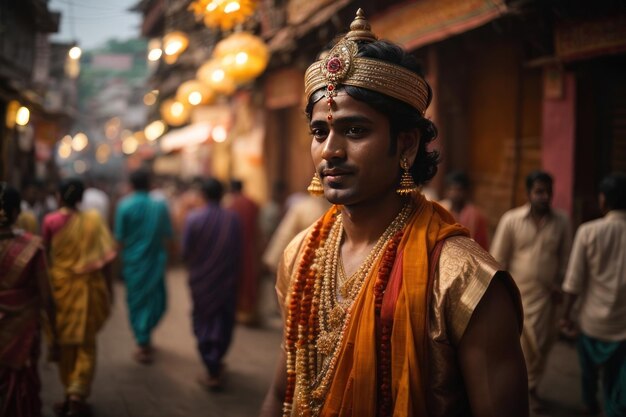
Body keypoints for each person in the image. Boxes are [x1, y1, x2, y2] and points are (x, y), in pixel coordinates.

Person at [260, 10, 527, 417]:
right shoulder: (302, 255)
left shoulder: (463, 279)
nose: (330, 151)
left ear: (406, 144)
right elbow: (283, 392)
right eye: (320, 132)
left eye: (355, 131)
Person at [491, 169, 572, 412]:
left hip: (547, 299)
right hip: (518, 297)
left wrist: (561, 285)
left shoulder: (562, 221)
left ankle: (531, 389)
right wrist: (500, 295)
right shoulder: (511, 220)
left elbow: (566, 258)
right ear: (528, 193)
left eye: (548, 191)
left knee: (543, 346)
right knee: (521, 349)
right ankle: (524, 392)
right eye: (539, 191)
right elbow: (497, 259)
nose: (544, 196)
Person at [42, 178, 116, 416]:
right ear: (81, 199)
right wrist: (110, 290)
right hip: (88, 289)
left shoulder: (50, 221)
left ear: (59, 197)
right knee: (85, 343)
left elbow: (44, 257)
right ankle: (77, 393)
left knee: (65, 342)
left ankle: (70, 392)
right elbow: (106, 260)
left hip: (60, 288)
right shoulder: (93, 221)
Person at [559, 173, 626, 417]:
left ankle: (589, 405)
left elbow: (573, 282)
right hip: (623, 327)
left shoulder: (588, 232)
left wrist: (566, 316)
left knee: (589, 376)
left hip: (591, 323)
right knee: (618, 383)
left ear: (603, 200)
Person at [0, 183, 56, 417]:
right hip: (21, 329)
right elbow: (46, 295)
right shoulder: (33, 247)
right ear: (16, 213)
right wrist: (57, 332)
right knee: (19, 380)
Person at [182, 178, 242, 390]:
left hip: (201, 281)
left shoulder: (193, 218)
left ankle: (211, 365)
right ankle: (216, 362)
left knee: (204, 319)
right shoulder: (232, 218)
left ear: (203, 195)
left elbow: (185, 251)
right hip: (226, 280)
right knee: (224, 320)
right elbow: (238, 251)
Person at [115, 168, 173, 364]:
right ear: (149, 185)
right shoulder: (160, 206)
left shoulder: (124, 206)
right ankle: (144, 340)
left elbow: (119, 238)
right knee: (158, 302)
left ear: (131, 185)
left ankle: (143, 338)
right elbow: (169, 235)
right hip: (155, 262)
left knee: (136, 303)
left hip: (133, 263)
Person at [225, 179, 260, 325]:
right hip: (251, 246)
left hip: (234, 248)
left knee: (236, 279)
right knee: (249, 278)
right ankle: (249, 313)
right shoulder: (252, 203)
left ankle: (236, 312)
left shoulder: (230, 205)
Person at [439, 170, 490, 249]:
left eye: (458, 189)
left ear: (466, 192)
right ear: (446, 191)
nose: (454, 193)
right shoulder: (439, 210)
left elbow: (482, 245)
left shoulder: (476, 216)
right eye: (451, 189)